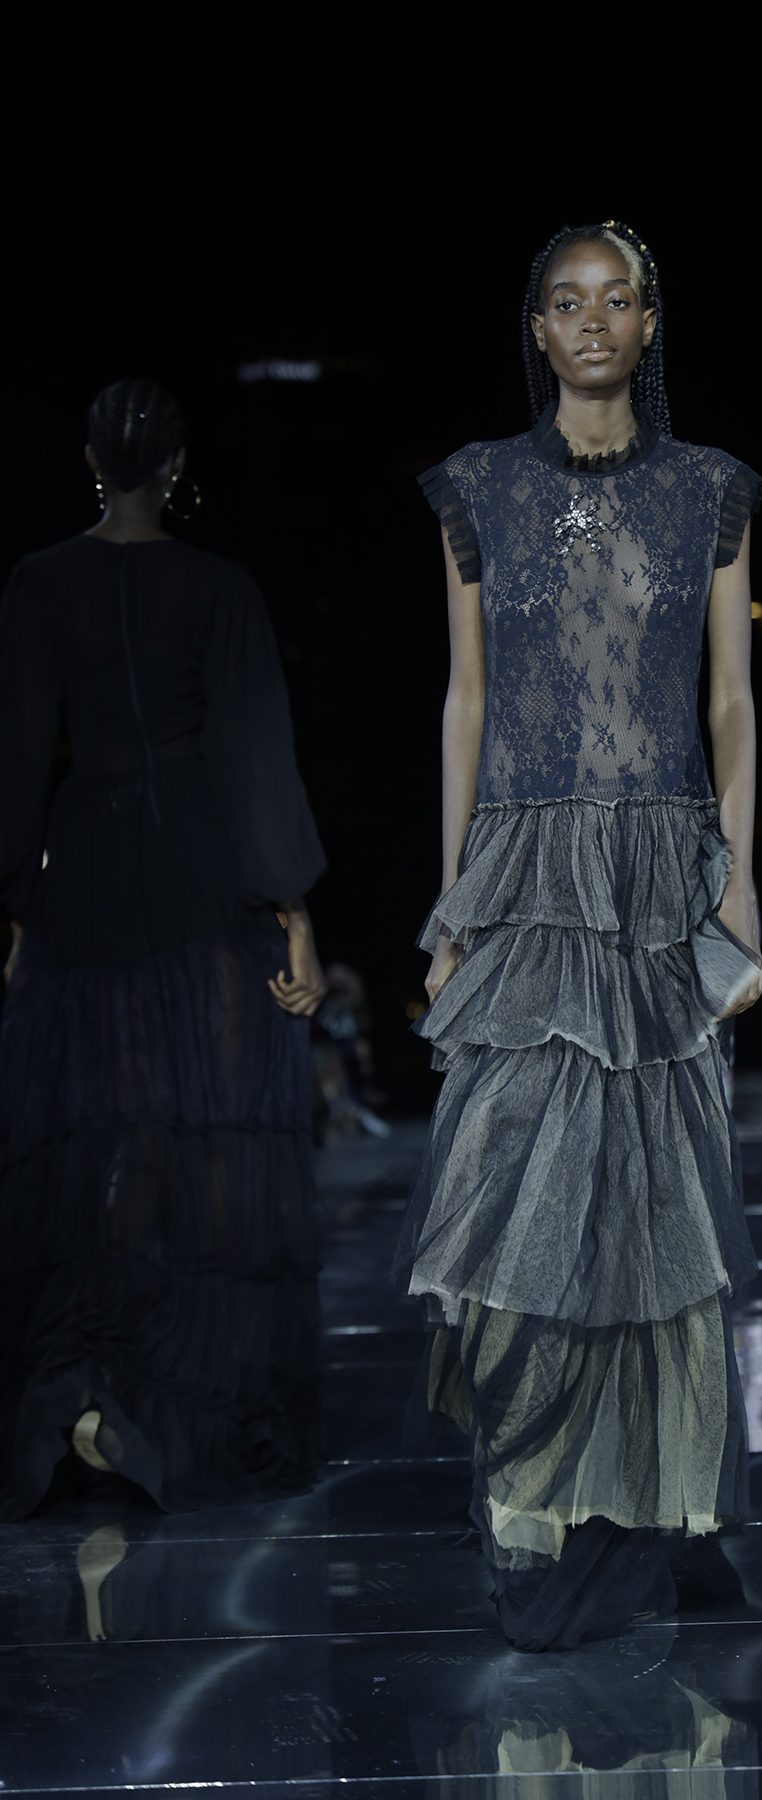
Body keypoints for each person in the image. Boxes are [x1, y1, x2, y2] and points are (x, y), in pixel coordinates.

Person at [393, 220, 762, 1651]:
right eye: (568, 300)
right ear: (538, 328)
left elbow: (730, 697)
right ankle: (532, 1505)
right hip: (528, 875)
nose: (593, 321)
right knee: (508, 1198)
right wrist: (453, 901)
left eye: (618, 300)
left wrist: (737, 878)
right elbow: (465, 698)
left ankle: (646, 1506)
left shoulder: (711, 489)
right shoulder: (478, 488)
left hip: (662, 870)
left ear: (649, 325)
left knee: (660, 1209)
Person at [0, 379, 328, 1519]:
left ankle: (87, 1383)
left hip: (86, 866)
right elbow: (253, 755)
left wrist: (16, 908)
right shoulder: (220, 589)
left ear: (91, 461)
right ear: (177, 465)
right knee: (206, 1139)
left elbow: (18, 757)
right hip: (196, 862)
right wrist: (293, 911)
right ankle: (176, 1402)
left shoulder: (39, 584)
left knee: (105, 1135)